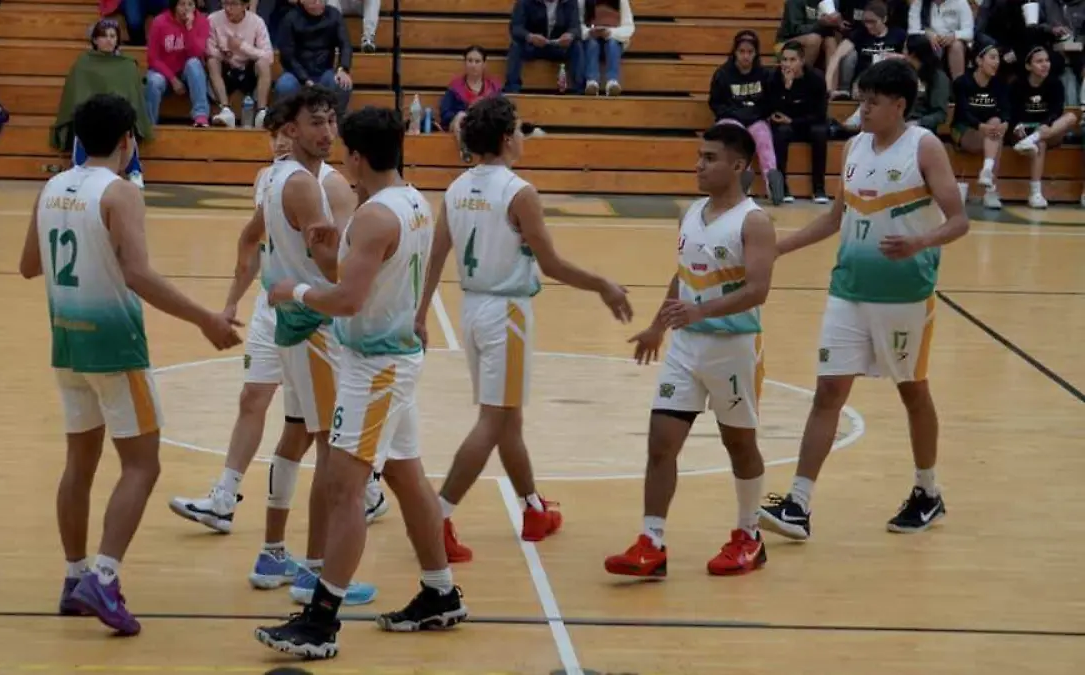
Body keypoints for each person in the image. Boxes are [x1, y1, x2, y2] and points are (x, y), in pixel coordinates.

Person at [17, 93, 243, 635]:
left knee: (80, 464)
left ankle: (74, 577)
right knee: (142, 465)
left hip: (67, 344)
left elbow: (28, 266)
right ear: (128, 141)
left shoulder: (51, 188)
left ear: (77, 139)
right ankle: (104, 577)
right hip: (115, 347)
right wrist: (205, 319)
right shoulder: (120, 192)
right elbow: (138, 274)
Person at [254, 106, 467, 659]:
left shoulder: (374, 217)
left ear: (356, 157)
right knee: (406, 477)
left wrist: (294, 291)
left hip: (375, 367)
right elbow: (368, 272)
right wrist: (333, 246)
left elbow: (347, 299)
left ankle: (321, 622)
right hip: (393, 359)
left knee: (343, 490)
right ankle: (440, 592)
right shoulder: (413, 201)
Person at [168, 92, 386, 605]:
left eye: (331, 122)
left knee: (300, 435)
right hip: (313, 324)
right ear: (290, 130)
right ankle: (316, 570)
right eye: (316, 123)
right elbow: (333, 267)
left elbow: (259, 239)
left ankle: (275, 552)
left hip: (290, 319)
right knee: (330, 448)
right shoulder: (310, 185)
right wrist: (370, 259)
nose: (327, 132)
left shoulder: (278, 179)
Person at [758, 59, 970, 542]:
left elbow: (959, 220)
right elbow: (836, 219)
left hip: (905, 296)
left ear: (899, 105)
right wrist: (780, 248)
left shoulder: (924, 147)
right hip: (848, 290)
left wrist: (919, 242)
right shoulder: (854, 147)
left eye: (873, 102)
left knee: (912, 391)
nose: (864, 109)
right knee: (828, 392)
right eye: (862, 100)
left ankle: (927, 491)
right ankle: (798, 504)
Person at [415, 96, 632, 563]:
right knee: (494, 421)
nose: (523, 135)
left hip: (473, 309)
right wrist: (602, 285)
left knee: (507, 418)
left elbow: (435, 256)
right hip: (506, 313)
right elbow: (551, 264)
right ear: (505, 138)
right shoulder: (519, 192)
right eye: (518, 129)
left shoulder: (456, 188)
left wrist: (419, 314)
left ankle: (533, 508)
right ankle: (436, 516)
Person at [602, 123, 776, 578]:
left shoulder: (754, 221)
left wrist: (701, 312)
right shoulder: (691, 213)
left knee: (739, 444)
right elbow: (683, 277)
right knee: (661, 442)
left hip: (734, 348)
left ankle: (750, 536)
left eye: (710, 158)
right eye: (699, 156)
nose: (699, 165)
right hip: (686, 348)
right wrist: (657, 326)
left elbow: (758, 290)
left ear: (738, 165)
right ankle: (652, 542)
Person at [52, 19, 151, 189]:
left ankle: (134, 170)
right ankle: (79, 170)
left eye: (112, 36)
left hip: (117, 115)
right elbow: (76, 95)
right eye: (104, 36)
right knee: (83, 124)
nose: (109, 40)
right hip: (91, 114)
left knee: (126, 126)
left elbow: (132, 97)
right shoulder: (83, 63)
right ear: (95, 40)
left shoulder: (127, 64)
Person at [708, 30, 784, 204]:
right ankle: (742, 178)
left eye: (750, 52)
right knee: (736, 138)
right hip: (730, 119)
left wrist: (755, 114)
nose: (746, 56)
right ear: (734, 52)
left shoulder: (764, 75)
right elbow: (715, 103)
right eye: (741, 51)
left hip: (755, 119)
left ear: (756, 53)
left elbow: (770, 103)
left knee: (763, 138)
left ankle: (772, 179)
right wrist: (736, 113)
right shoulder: (723, 74)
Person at [1008, 46, 1078, 209]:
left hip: (1047, 129)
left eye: (1047, 60)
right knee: (1040, 143)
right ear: (1028, 66)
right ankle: (1035, 193)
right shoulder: (1017, 85)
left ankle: (1034, 138)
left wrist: (1045, 125)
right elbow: (1011, 113)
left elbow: (1056, 111)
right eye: (1039, 61)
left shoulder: (1055, 84)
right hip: (1023, 130)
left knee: (1071, 117)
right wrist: (1016, 126)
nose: (1045, 64)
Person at [767, 39, 830, 204]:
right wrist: (787, 88)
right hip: (786, 125)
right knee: (781, 132)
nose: (787, 64)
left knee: (820, 132)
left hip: (808, 123)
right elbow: (774, 110)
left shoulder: (816, 78)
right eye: (784, 59)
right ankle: (783, 186)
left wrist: (793, 121)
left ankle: (819, 187)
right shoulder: (775, 78)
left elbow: (820, 114)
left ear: (802, 61)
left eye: (792, 60)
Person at [951, 43, 1009, 210]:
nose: (997, 62)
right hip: (963, 129)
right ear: (979, 60)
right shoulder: (962, 82)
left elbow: (1006, 109)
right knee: (995, 135)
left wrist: (1005, 123)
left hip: (988, 131)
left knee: (996, 125)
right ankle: (991, 190)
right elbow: (963, 112)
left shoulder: (1000, 83)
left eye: (998, 58)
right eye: (992, 57)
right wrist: (980, 126)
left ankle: (987, 171)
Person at [274, 0, 354, 118]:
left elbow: (345, 44)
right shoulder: (290, 18)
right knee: (284, 86)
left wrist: (343, 69)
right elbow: (287, 56)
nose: (317, 3)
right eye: (313, 0)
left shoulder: (334, 15)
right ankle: (287, 122)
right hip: (296, 74)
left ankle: (335, 121)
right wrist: (305, 79)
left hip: (324, 72)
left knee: (343, 84)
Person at [206, 0, 274, 128]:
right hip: (225, 66)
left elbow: (269, 56)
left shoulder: (257, 22)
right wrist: (225, 53)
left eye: (233, 4)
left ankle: (261, 112)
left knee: (263, 64)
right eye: (225, 3)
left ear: (245, 5)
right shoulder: (213, 19)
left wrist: (242, 46)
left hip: (248, 68)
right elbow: (208, 49)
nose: (228, 8)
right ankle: (225, 109)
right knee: (212, 61)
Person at [145, 0, 212, 127]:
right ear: (175, 6)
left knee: (194, 63)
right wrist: (172, 79)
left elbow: (197, 53)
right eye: (182, 4)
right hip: (164, 72)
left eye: (190, 4)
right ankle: (148, 125)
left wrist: (189, 28)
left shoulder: (202, 21)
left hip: (187, 73)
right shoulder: (160, 22)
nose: (186, 8)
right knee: (153, 81)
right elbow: (152, 58)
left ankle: (201, 116)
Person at [826, 0, 907, 99]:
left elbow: (910, 58)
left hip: (889, 78)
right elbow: (836, 56)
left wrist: (897, 56)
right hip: (864, 79)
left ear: (884, 19)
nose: (868, 26)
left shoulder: (899, 35)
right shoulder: (860, 34)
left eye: (873, 22)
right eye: (866, 22)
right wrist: (828, 88)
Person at [439, 45, 502, 163]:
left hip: (486, 124)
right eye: (470, 61)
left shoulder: (494, 87)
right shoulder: (454, 87)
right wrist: (464, 114)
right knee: (460, 116)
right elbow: (445, 113)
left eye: (477, 61)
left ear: (484, 64)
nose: (473, 65)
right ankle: (464, 150)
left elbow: (501, 111)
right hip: (461, 125)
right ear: (465, 63)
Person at [579, 0, 635, 96]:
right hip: (591, 39)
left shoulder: (622, 1)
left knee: (612, 43)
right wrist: (589, 32)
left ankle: (612, 82)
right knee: (592, 44)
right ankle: (592, 81)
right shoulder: (582, 1)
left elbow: (628, 27)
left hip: (613, 39)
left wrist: (610, 33)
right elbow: (578, 24)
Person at [907, 0, 974, 79]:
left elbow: (969, 32)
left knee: (956, 45)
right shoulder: (919, 3)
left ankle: (958, 83)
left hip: (952, 43)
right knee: (921, 44)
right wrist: (926, 33)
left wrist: (954, 36)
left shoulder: (960, 2)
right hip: (929, 44)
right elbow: (913, 31)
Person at [903, 34, 951, 133]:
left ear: (913, 53)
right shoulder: (903, 72)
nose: (902, 52)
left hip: (920, 128)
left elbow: (940, 114)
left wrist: (918, 123)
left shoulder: (938, 77)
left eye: (905, 49)